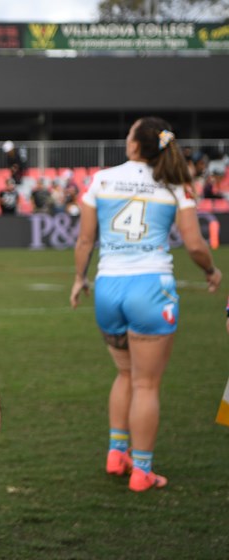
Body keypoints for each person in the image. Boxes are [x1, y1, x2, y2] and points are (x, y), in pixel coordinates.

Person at [70, 117, 222, 492]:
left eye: (130, 132)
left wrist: (79, 279)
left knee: (125, 375)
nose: (126, 137)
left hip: (108, 288)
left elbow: (85, 240)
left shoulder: (102, 179)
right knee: (147, 385)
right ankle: (142, 470)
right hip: (151, 289)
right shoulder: (175, 185)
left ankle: (116, 453)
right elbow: (196, 245)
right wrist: (211, 272)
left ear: (136, 144)